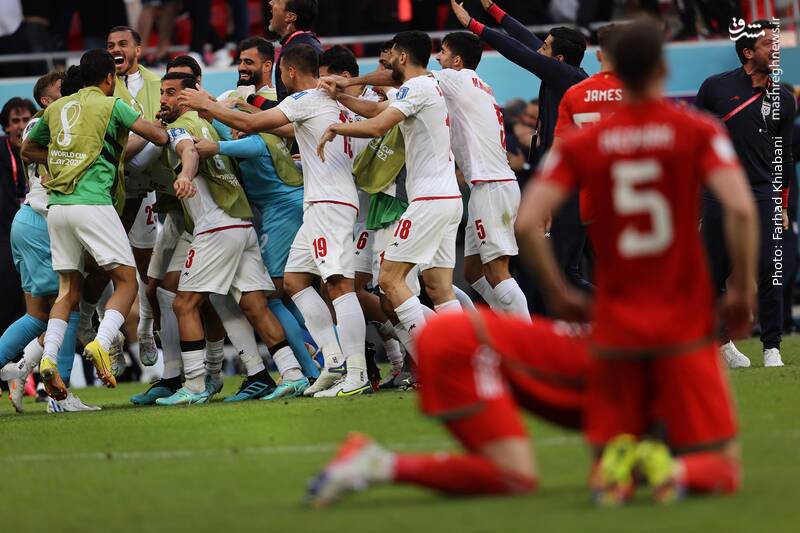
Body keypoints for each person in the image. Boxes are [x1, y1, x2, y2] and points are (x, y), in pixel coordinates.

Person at [308, 17, 753, 507]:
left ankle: (389, 440)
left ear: (608, 63)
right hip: (679, 330)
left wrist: (559, 293)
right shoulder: (696, 130)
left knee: (444, 325)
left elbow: (530, 222)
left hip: (610, 336)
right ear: (663, 69)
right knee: (718, 464)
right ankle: (657, 463)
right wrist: (742, 288)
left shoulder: (583, 131)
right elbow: (739, 210)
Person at [178, 44, 371, 398]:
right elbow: (286, 132)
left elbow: (252, 124)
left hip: (329, 204)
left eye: (282, 72)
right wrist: (220, 107)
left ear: (290, 71)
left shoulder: (306, 99)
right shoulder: (334, 103)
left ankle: (357, 372)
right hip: (321, 202)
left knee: (339, 285)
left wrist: (207, 105)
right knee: (294, 282)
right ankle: (333, 362)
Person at [20, 49, 169, 398]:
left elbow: (27, 150)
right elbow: (158, 138)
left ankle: (49, 358)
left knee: (67, 290)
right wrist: (161, 124)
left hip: (58, 207)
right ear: (109, 79)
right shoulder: (111, 104)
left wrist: (62, 161)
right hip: (93, 203)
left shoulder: (56, 108)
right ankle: (102, 343)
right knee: (127, 281)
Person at [155, 72, 306, 405]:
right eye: (162, 92)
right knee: (254, 305)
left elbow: (188, 151)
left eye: (171, 93)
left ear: (188, 98)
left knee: (183, 304)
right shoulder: (212, 125)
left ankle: (195, 384)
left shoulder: (181, 127)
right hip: (241, 224)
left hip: (216, 228)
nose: (164, 99)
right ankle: (292, 373)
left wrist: (185, 175)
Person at [317, 31, 463, 359]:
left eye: (392, 56)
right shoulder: (430, 84)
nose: (388, 63)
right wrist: (342, 93)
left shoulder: (416, 87)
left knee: (389, 280)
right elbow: (375, 110)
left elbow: (376, 126)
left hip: (428, 201)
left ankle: (435, 360)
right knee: (440, 289)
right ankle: (466, 357)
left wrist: (336, 127)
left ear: (401, 56)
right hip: (449, 200)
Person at [193, 36, 320, 389]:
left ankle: (318, 367)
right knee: (290, 291)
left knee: (274, 293)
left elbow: (241, 139)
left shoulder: (267, 117)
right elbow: (232, 128)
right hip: (280, 207)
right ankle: (318, 361)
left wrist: (215, 134)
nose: (242, 68)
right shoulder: (248, 114)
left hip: (285, 207)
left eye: (249, 62)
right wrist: (209, 108)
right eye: (240, 61)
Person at [452, 0, 591, 307]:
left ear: (559, 58)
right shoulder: (565, 73)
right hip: (566, 186)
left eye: (546, 46)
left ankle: (619, 313)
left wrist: (474, 25)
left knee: (559, 272)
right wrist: (492, 9)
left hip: (568, 189)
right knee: (562, 271)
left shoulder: (566, 76)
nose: (539, 48)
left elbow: (519, 51)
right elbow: (526, 40)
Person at [695, 19, 796, 368]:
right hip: (719, 192)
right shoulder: (715, 88)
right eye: (769, 43)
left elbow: (784, 153)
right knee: (714, 270)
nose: (776, 49)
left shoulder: (784, 98)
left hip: (762, 191)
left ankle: (772, 347)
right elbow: (695, 145)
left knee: (772, 266)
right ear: (748, 52)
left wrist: (783, 203)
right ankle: (722, 342)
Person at [0, 72, 100, 414]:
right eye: (63, 89)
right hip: (42, 221)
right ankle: (60, 396)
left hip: (30, 221)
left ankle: (24, 369)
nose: (72, 92)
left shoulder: (52, 122)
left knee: (39, 315)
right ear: (47, 99)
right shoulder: (49, 122)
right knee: (68, 304)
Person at [553, 23, 622, 226]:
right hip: (635, 207)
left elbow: (557, 156)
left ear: (599, 55)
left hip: (591, 205)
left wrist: (546, 204)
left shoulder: (575, 94)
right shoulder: (641, 94)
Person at [0, 97, 33, 336]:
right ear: (6, 127)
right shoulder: (2, 152)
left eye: (26, 120)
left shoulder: (46, 151)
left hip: (39, 235)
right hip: (6, 237)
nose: (21, 126)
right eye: (15, 121)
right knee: (8, 299)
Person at [267, 0, 322, 103]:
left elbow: (287, 109)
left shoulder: (295, 53)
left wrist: (252, 99)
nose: (271, 2)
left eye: (278, 1)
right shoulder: (308, 44)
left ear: (290, 17)